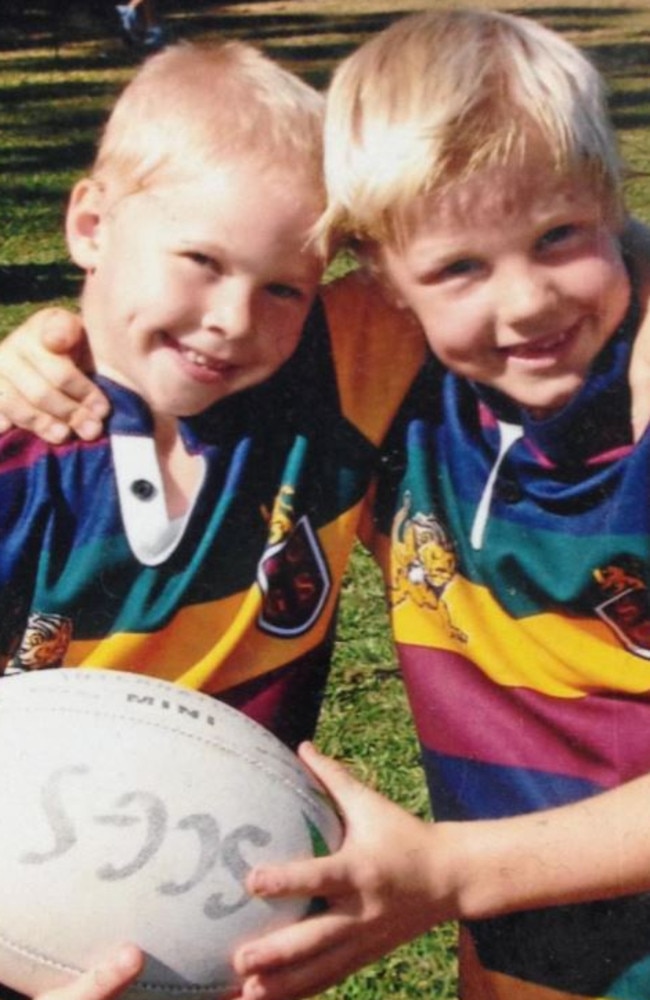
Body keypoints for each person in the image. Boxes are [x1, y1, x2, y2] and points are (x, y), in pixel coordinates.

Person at [5, 10, 650, 1000]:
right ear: (383, 280)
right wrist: (40, 345)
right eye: (457, 268)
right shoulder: (356, 359)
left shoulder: (385, 359)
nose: (519, 300)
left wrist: (450, 870)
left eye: (558, 234)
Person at [0, 33, 426, 1000]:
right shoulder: (15, 454)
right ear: (91, 224)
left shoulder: (332, 382)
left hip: (233, 945)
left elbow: (536, 222)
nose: (236, 317)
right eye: (199, 259)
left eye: (285, 286)